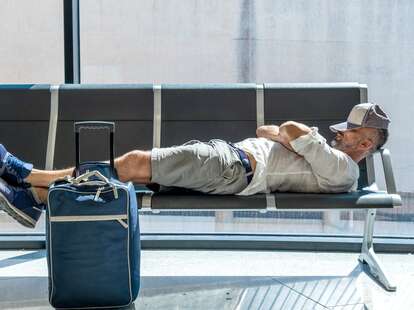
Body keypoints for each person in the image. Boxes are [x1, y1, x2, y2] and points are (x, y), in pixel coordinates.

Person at [0, 103, 390, 228]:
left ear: (366, 143)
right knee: (129, 172)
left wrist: (300, 140)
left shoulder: (345, 169)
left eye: (350, 132)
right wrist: (300, 143)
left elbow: (286, 127)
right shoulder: (328, 156)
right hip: (229, 161)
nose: (339, 135)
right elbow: (265, 128)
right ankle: (35, 196)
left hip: (234, 168)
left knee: (132, 164)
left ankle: (26, 173)